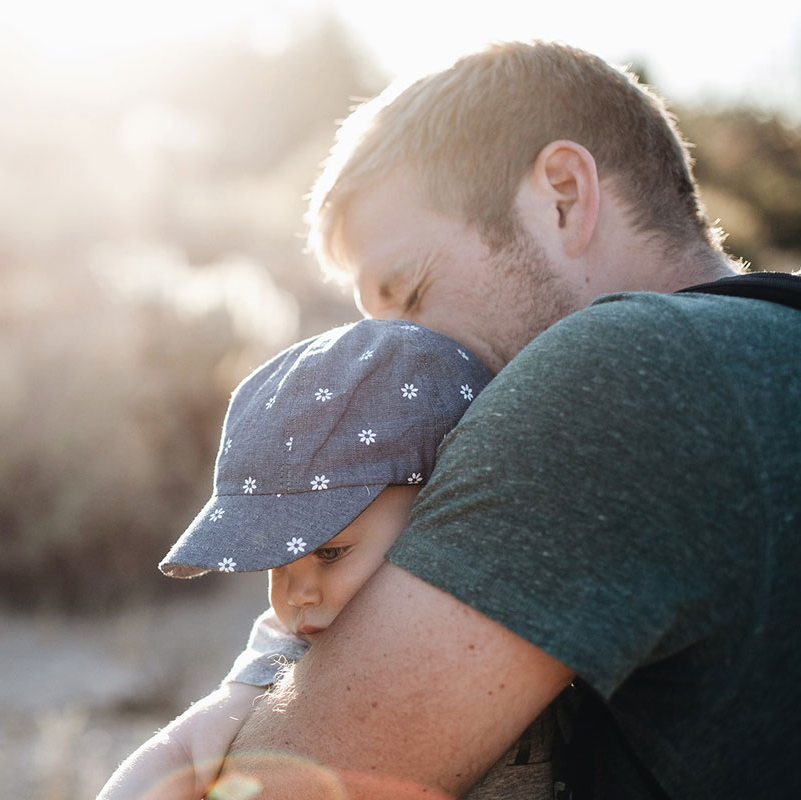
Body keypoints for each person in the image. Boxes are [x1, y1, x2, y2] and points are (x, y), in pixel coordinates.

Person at [211, 40, 801, 799]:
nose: (395, 358)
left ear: (561, 194)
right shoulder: (769, 346)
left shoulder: (612, 374)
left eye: (411, 293)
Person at [98, 318, 558, 799]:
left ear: (438, 508)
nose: (298, 594)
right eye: (277, 564)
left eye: (331, 552)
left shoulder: (521, 588)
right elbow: (183, 752)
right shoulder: (293, 650)